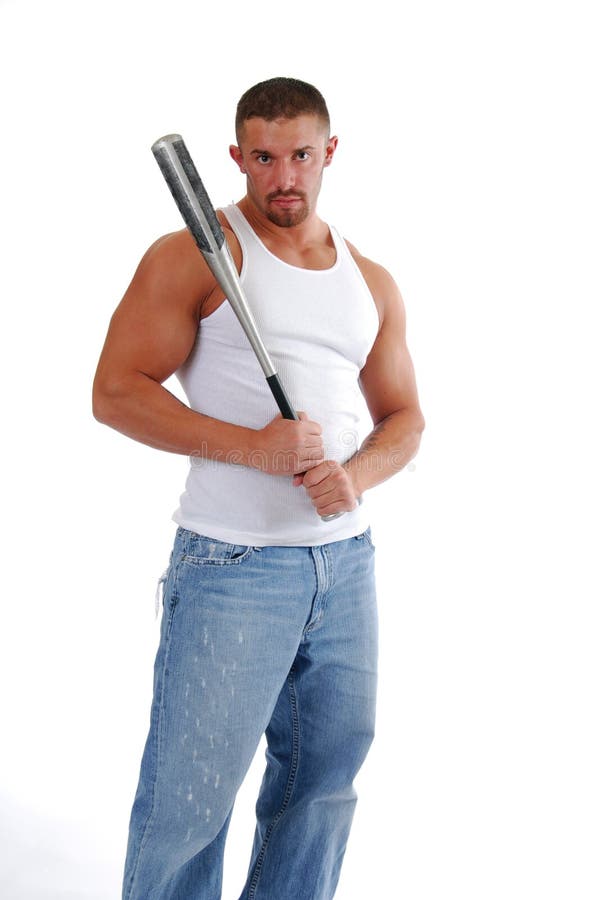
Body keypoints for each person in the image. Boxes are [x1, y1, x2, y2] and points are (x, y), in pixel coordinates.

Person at [93, 77, 424, 900]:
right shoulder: (196, 254)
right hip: (232, 567)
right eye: (265, 158)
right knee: (190, 802)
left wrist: (354, 476)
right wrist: (256, 450)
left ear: (329, 152)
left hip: (344, 568)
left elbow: (405, 418)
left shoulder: (371, 279)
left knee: (324, 785)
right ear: (237, 157)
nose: (284, 177)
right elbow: (116, 392)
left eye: (301, 155)